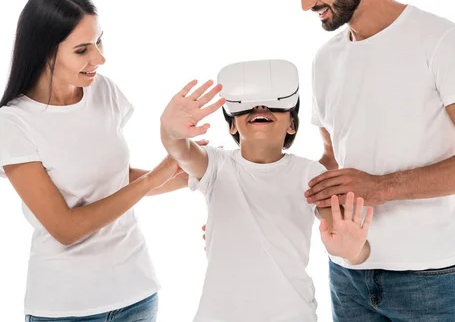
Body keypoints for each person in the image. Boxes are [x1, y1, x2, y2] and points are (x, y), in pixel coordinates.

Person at [282, 0, 455, 321]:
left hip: (426, 278)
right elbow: (332, 158)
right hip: (347, 274)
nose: (305, 4)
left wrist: (380, 187)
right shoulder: (325, 60)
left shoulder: (441, 42)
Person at [0, 0, 189, 321]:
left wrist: (191, 173)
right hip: (67, 308)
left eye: (99, 42)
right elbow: (65, 228)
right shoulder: (13, 123)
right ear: (44, 54)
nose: (99, 58)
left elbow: (115, 181)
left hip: (137, 294)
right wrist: (156, 176)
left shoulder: (103, 91)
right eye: (82, 49)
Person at [159, 59, 373, 322]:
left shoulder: (310, 173)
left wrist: (352, 249)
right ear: (232, 126)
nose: (260, 107)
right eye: (246, 106)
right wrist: (168, 130)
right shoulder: (215, 166)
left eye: (273, 104)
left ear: (291, 125)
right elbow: (180, 149)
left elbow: (346, 238)